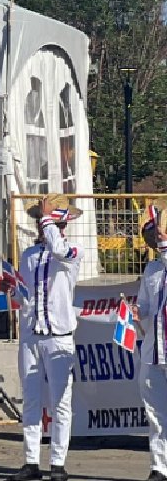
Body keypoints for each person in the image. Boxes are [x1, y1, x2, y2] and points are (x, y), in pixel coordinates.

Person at [4, 197, 83, 481]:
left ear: (60, 222)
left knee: (61, 401)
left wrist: (50, 220)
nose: (40, 222)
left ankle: (58, 463)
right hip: (31, 335)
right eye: (39, 218)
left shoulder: (72, 251)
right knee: (32, 400)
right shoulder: (29, 255)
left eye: (45, 218)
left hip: (59, 336)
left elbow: (59, 249)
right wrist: (11, 290)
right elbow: (24, 301)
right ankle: (31, 462)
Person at [135, 204, 167, 481]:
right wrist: (136, 312)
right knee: (155, 413)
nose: (158, 242)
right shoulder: (152, 269)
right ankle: (159, 467)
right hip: (153, 351)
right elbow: (145, 304)